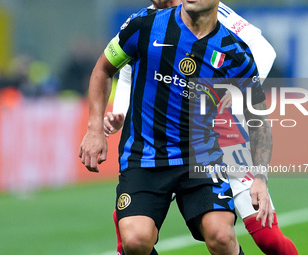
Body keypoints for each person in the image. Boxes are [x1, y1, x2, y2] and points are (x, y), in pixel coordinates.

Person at [79, 1, 273, 254]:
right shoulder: (145, 25)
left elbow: (257, 119)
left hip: (201, 159)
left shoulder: (234, 52)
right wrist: (94, 129)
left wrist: (260, 178)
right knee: (136, 241)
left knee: (222, 236)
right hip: (145, 155)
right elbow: (104, 68)